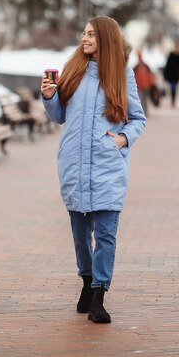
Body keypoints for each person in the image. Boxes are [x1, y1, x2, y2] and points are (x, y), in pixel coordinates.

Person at [40, 16, 146, 324]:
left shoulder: (122, 75)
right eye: (83, 34)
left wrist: (123, 138)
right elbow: (59, 116)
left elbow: (137, 119)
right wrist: (49, 97)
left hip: (107, 164)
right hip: (74, 163)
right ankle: (86, 282)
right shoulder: (73, 70)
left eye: (90, 34)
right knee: (79, 235)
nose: (84, 39)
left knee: (106, 235)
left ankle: (99, 295)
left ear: (105, 39)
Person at [163, 42, 179, 108]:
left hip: (175, 74)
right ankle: (173, 100)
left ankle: (173, 100)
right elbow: (167, 64)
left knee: (174, 87)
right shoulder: (172, 54)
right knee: (173, 87)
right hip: (171, 74)